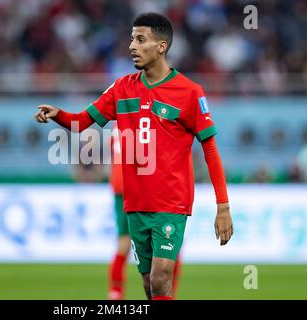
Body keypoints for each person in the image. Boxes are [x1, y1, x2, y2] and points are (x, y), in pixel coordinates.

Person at [34, 12, 233, 300]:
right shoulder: (122, 88)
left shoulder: (189, 92)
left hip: (172, 203)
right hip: (135, 204)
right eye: (131, 39)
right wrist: (58, 115)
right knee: (150, 285)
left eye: (141, 40)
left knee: (162, 276)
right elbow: (81, 122)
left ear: (161, 46)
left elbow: (210, 150)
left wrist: (223, 206)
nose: (132, 46)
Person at [108, 122, 182, 300]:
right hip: (143, 187)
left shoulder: (115, 125)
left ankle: (115, 293)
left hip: (120, 186)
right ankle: (170, 292)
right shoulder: (143, 121)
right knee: (169, 243)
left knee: (124, 243)